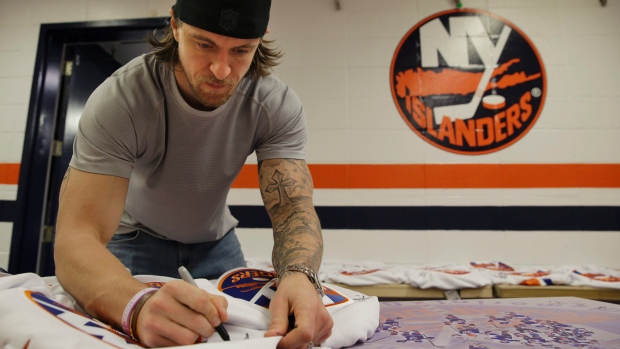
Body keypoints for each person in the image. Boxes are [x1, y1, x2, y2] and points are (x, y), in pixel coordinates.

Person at [53, 0, 333, 348]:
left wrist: (300, 276)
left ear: (261, 39)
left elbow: (292, 206)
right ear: (175, 26)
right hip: (133, 240)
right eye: (204, 44)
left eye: (241, 50)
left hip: (217, 244)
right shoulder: (121, 99)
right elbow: (75, 236)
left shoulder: (275, 104)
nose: (221, 69)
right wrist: (137, 306)